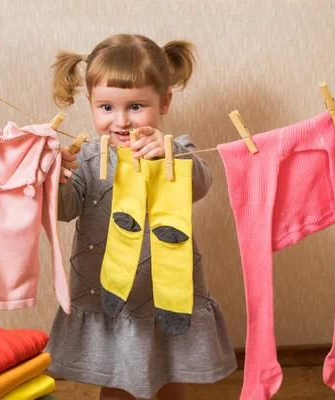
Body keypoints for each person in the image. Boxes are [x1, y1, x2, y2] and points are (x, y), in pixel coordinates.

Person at [45, 33, 237, 400]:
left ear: (163, 102)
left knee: (168, 375)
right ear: (90, 103)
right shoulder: (86, 159)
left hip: (166, 292)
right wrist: (54, 175)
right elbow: (63, 210)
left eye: (136, 106)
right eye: (106, 108)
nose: (121, 121)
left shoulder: (172, 150)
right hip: (108, 294)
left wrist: (170, 154)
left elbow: (202, 182)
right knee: (116, 383)